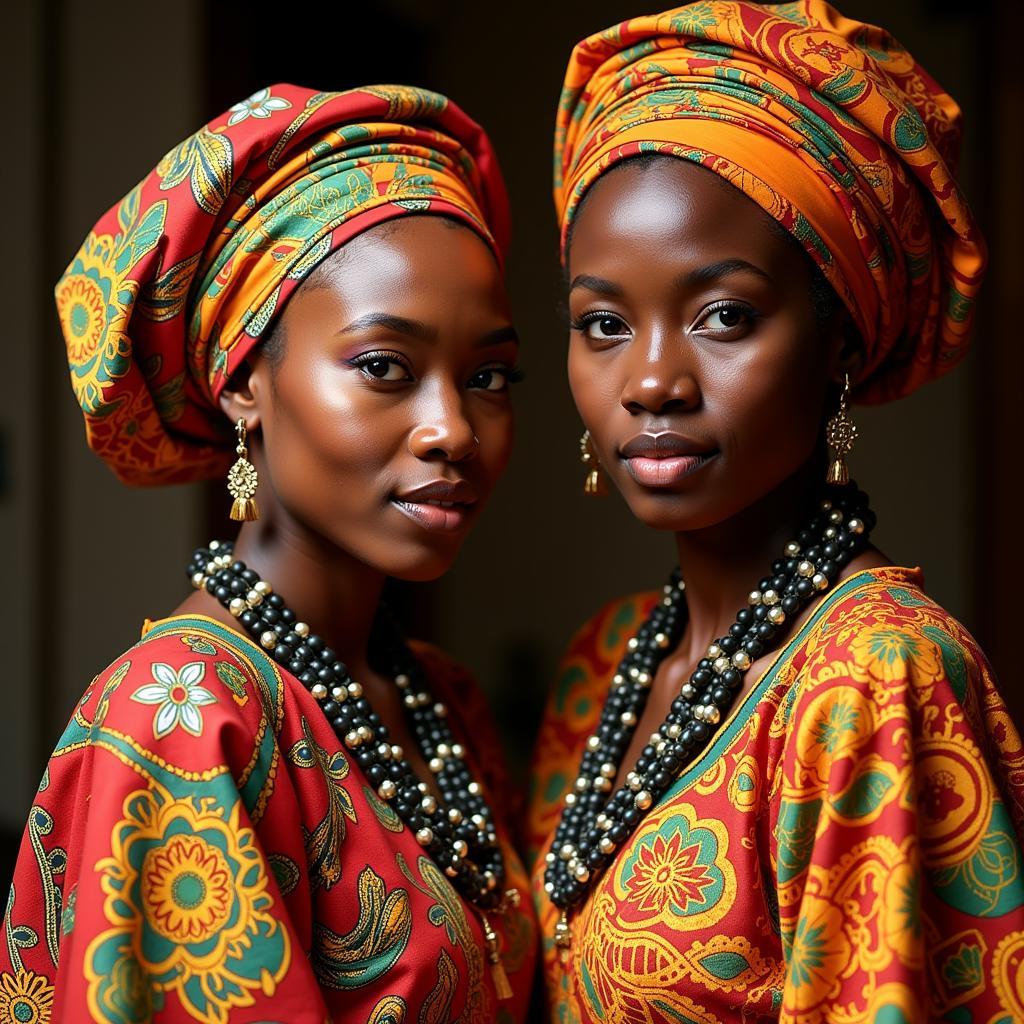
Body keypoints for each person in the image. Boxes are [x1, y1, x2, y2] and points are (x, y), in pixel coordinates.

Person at [527, 3, 1024, 1021]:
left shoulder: (877, 677)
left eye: (723, 316)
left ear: (838, 337)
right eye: (604, 324)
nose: (652, 380)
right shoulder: (601, 665)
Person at [1, 83, 537, 1023]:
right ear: (247, 382)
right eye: (385, 367)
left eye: (488, 376)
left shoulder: (439, 700)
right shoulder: (183, 718)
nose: (453, 427)